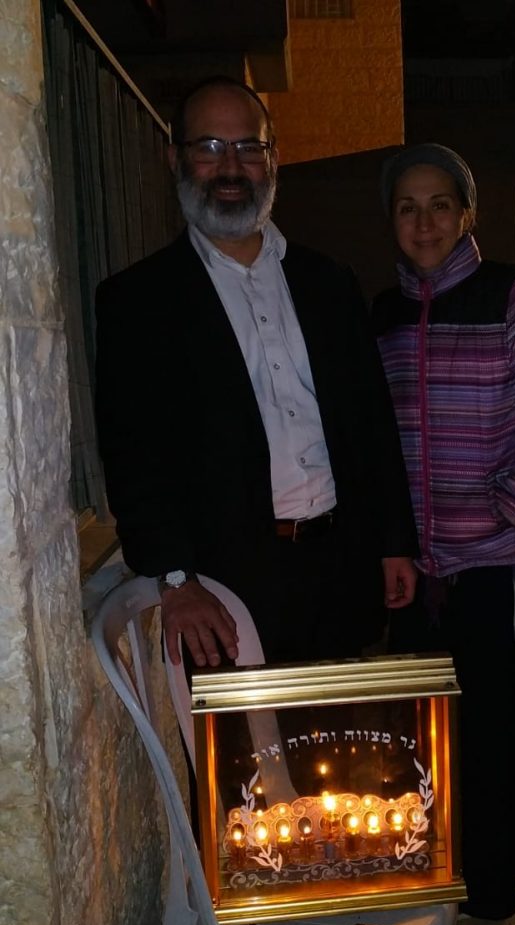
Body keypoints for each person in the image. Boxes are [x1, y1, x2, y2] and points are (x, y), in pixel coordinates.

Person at [94, 76, 417, 671]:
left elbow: (371, 422)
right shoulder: (137, 302)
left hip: (339, 567)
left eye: (248, 147)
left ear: (275, 157)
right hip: (223, 589)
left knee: (344, 751)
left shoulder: (331, 282)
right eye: (209, 147)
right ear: (176, 157)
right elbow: (133, 456)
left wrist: (395, 542)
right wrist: (175, 578)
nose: (230, 166)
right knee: (247, 758)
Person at [372, 143, 515, 920]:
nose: (424, 220)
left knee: (496, 735)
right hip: (413, 572)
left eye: (440, 204)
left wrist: (510, 502)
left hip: (496, 562)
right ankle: (426, 875)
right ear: (391, 221)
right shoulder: (383, 314)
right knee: (421, 738)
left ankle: (489, 889)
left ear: (466, 214)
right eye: (407, 206)